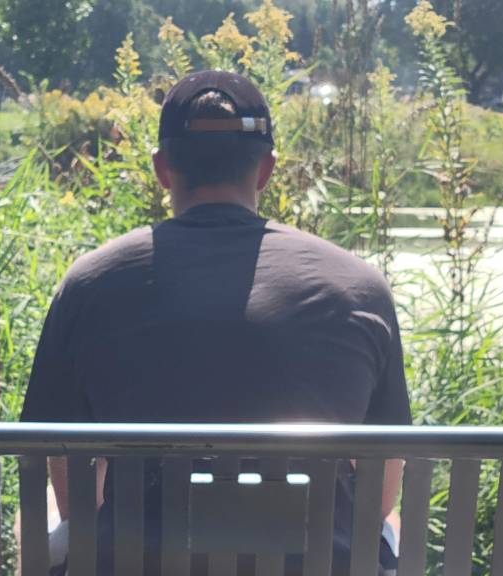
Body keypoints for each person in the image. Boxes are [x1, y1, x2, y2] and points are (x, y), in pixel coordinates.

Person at [20, 70, 411, 575]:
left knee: (46, 520)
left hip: (137, 567)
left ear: (162, 170)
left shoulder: (90, 282)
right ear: (266, 170)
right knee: (387, 524)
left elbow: (70, 487)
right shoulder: (360, 286)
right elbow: (380, 493)